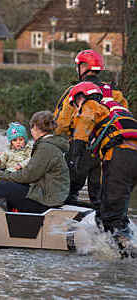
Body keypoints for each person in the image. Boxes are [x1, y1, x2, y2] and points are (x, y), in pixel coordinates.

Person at [53, 49, 128, 213]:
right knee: (99, 197)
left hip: (80, 150)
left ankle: (68, 226)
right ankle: (101, 228)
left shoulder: (75, 91)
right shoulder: (114, 93)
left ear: (84, 67)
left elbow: (61, 125)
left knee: (67, 193)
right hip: (107, 152)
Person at [68, 81, 137, 254]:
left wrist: (76, 148)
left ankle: (126, 253)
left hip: (122, 156)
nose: (76, 109)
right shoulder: (118, 108)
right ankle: (120, 242)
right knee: (110, 208)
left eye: (75, 104)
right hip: (128, 158)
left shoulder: (91, 104)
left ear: (81, 97)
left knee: (110, 214)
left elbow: (85, 120)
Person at [0, 111, 70, 213]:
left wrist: (3, 175)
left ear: (35, 127)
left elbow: (28, 175)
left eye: (31, 128)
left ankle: (4, 223)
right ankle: (13, 217)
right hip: (47, 192)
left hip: (46, 199)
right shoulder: (49, 144)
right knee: (0, 187)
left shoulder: (46, 148)